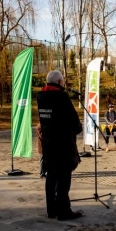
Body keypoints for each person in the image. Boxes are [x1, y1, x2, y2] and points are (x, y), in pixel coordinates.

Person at [36, 70, 83, 220]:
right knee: (64, 177)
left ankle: (52, 210)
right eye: (62, 81)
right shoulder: (61, 96)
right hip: (63, 145)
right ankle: (64, 211)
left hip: (48, 144)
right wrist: (77, 129)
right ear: (59, 82)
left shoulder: (40, 96)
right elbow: (73, 119)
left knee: (51, 177)